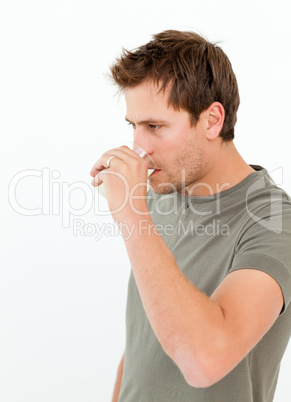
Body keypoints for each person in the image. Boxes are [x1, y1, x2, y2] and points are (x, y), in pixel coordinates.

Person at [90, 30, 291, 402]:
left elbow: (205, 361)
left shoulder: (275, 222)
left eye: (155, 126)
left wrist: (131, 215)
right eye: (133, 126)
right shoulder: (159, 198)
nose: (139, 148)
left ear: (213, 120)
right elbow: (144, 344)